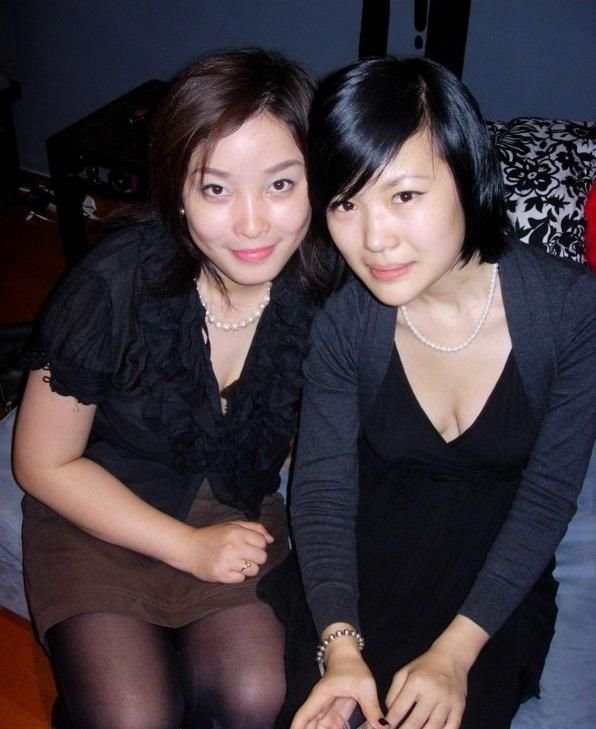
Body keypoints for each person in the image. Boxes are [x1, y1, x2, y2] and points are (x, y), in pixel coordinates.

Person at [272, 57, 596, 729]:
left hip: (492, 580)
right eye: (346, 203)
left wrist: (455, 654)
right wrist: (339, 646)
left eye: (405, 196)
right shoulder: (345, 323)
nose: (374, 239)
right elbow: (323, 492)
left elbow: (547, 497)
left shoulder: (570, 313)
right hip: (363, 563)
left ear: (468, 176)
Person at [13, 48, 318, 729]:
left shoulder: (324, 286)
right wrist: (187, 548)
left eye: (280, 184)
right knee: (133, 714)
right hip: (97, 512)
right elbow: (40, 463)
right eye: (216, 189)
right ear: (178, 191)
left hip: (233, 514)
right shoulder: (113, 283)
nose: (252, 224)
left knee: (256, 696)